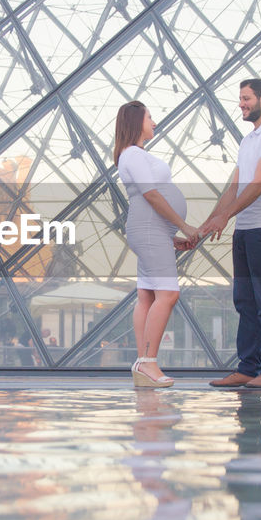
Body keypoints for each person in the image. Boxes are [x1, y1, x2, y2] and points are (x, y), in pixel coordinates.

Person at [198, 78, 261, 389]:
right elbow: (235, 186)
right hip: (245, 228)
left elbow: (260, 183)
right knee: (245, 301)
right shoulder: (248, 141)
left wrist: (226, 215)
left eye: (246, 98)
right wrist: (211, 221)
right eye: (240, 98)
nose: (241, 103)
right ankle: (248, 368)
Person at [114, 101, 201, 387]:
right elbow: (151, 195)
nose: (154, 121)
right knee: (168, 294)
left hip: (151, 230)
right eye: (150, 117)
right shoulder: (134, 155)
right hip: (149, 229)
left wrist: (169, 237)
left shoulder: (132, 155)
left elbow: (148, 200)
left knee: (148, 297)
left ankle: (144, 363)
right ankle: (148, 362)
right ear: (136, 120)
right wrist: (184, 226)